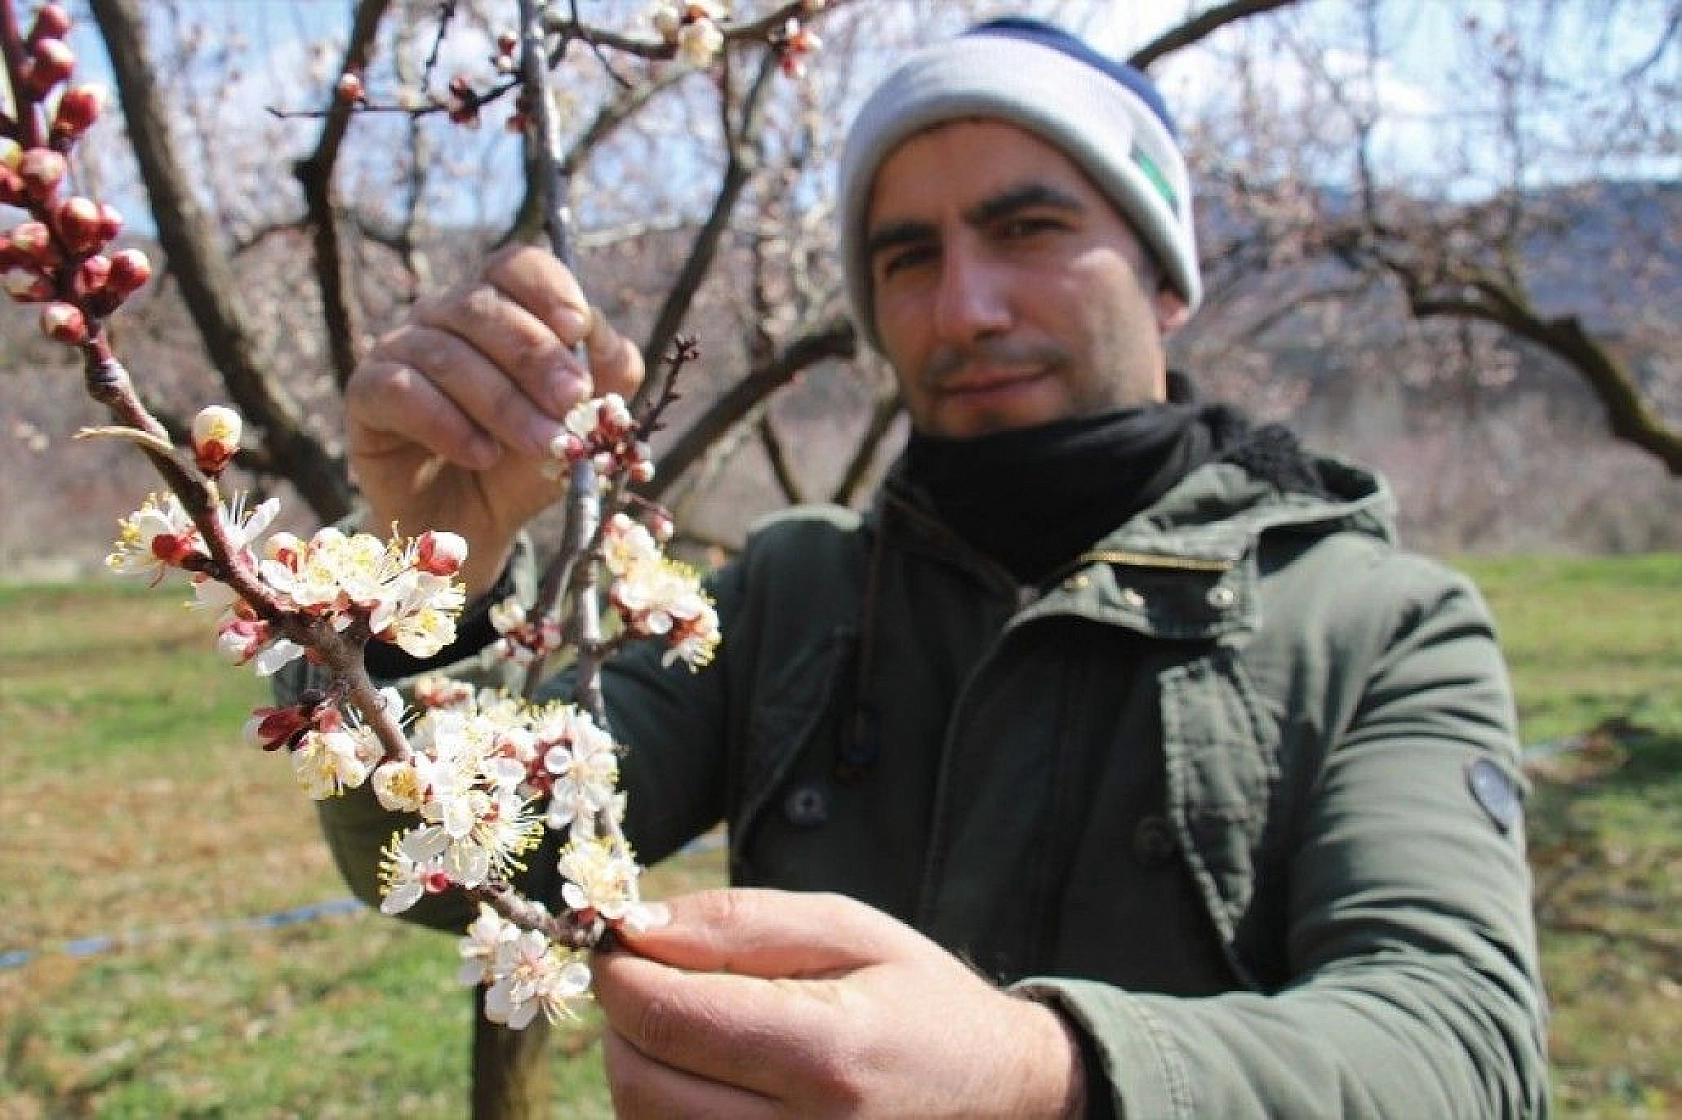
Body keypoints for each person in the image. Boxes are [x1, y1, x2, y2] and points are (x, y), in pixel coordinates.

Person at [299, 17, 1550, 1118]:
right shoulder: (790, 593)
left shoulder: (1381, 621)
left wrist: (1040, 1080)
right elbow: (464, 867)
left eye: (1028, 227)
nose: (964, 307)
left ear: (1166, 277)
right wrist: (420, 580)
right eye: (906, 257)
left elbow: (1465, 1051)